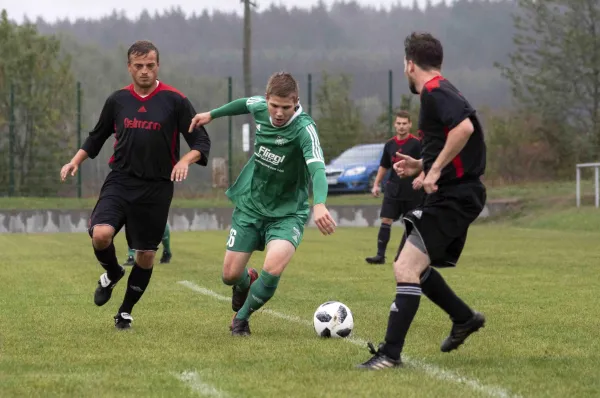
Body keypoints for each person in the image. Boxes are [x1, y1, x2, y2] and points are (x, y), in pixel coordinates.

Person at [60, 40, 211, 330]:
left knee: (146, 254)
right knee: (101, 235)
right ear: (129, 67)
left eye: (150, 65)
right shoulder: (117, 100)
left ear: (158, 66)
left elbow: (201, 142)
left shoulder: (175, 100)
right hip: (120, 179)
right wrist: (75, 161)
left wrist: (185, 161)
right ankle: (113, 271)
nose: (144, 71)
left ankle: (125, 312)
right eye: (138, 66)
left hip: (156, 187)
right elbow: (97, 136)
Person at [357, 32, 487, 369]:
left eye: (404, 65)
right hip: (453, 193)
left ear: (410, 64)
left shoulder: (432, 90)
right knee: (413, 264)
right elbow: (457, 136)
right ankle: (464, 318)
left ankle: (389, 354)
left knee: (405, 267)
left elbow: (464, 130)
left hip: (455, 195)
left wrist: (434, 171)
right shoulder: (442, 89)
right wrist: (421, 165)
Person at [188, 71, 337, 336]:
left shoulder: (304, 129)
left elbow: (317, 170)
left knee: (273, 266)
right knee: (230, 276)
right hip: (252, 206)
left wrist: (320, 204)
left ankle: (241, 319)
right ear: (267, 99)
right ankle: (247, 281)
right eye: (274, 106)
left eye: (286, 108)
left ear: (296, 103)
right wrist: (211, 114)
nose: (279, 113)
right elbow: (243, 103)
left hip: (287, 213)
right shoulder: (259, 107)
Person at [366, 111, 424, 265]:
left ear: (410, 124)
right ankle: (380, 256)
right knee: (386, 219)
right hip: (393, 188)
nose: (401, 126)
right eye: (399, 123)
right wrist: (376, 184)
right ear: (395, 125)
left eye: (405, 123)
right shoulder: (390, 144)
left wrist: (420, 177)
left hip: (412, 190)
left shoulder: (417, 144)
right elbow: (384, 165)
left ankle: (402, 257)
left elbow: (427, 163)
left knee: (410, 223)